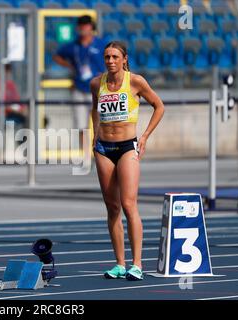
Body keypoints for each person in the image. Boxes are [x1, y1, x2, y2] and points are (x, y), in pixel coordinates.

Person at [90, 41, 165, 281]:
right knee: (112, 208)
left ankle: (137, 264)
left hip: (126, 147)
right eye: (107, 57)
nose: (110, 61)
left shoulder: (135, 81)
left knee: (129, 204)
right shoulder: (96, 83)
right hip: (103, 148)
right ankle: (120, 264)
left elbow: (159, 106)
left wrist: (144, 137)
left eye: (114, 57)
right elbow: (95, 109)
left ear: (124, 59)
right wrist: (95, 135)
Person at [53, 15, 106, 137]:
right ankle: (86, 155)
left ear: (91, 27)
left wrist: (106, 74)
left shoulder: (100, 44)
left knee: (101, 124)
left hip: (97, 89)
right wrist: (69, 65)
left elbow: (115, 57)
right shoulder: (73, 45)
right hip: (79, 89)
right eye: (81, 25)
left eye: (86, 25)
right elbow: (57, 56)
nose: (84, 28)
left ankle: (100, 153)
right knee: (82, 127)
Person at [0, 63, 27, 129]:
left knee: (30, 116)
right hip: (3, 115)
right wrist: (15, 110)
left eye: (8, 69)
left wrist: (23, 108)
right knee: (13, 122)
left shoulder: (11, 84)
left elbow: (17, 100)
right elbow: (0, 103)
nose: (7, 71)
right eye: (5, 69)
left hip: (14, 113)